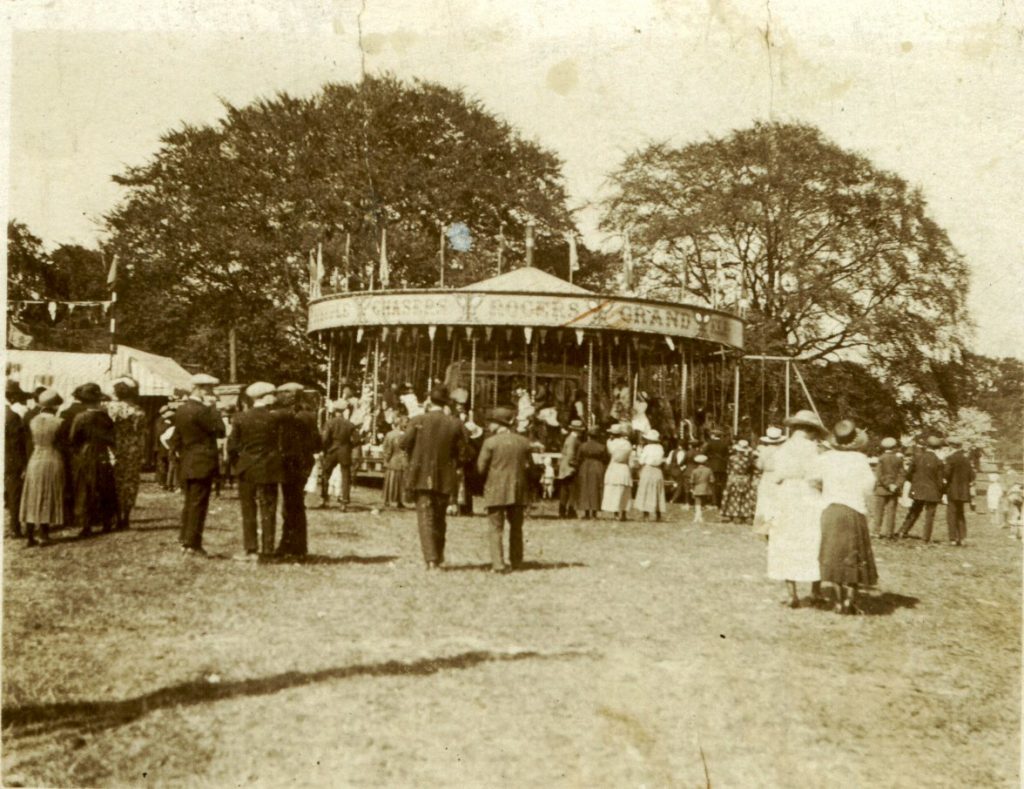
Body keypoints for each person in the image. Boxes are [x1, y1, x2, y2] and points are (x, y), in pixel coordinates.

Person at [767, 410, 827, 608]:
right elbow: (819, 477)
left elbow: (776, 477)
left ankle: (792, 594)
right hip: (809, 495)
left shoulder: (783, 449)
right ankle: (815, 591)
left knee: (786, 540)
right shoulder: (816, 451)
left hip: (787, 495)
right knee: (814, 540)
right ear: (810, 430)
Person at [401, 385, 465, 569]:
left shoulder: (418, 420)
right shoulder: (455, 423)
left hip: (421, 475)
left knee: (425, 517)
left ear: (429, 401)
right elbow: (464, 451)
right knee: (439, 517)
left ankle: (431, 559)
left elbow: (404, 443)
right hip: (445, 476)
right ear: (446, 403)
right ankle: (439, 555)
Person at [818, 420, 878, 615]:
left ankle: (837, 600)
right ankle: (849, 601)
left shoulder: (825, 458)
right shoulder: (860, 459)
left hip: (831, 509)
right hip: (853, 509)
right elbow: (869, 487)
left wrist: (828, 490)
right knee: (853, 554)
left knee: (833, 553)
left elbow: (813, 480)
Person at [169, 373, 225, 556]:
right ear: (201, 389)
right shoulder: (203, 410)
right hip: (203, 461)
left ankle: (184, 539)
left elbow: (175, 438)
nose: (212, 393)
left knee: (190, 503)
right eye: (209, 390)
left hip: (188, 461)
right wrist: (214, 409)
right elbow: (220, 430)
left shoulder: (182, 409)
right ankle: (193, 544)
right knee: (198, 504)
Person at [228, 382, 283, 561]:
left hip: (247, 468)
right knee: (268, 508)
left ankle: (250, 549)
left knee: (248, 509)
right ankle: (268, 550)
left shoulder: (240, 418)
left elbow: (232, 447)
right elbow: (281, 445)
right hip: (269, 468)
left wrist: (239, 464)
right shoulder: (275, 418)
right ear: (265, 396)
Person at [477, 407, 533, 572]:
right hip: (518, 489)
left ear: (498, 424)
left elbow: (480, 468)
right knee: (516, 527)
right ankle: (517, 561)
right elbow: (530, 467)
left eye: (491, 422)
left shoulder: (490, 442)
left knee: (495, 528)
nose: (489, 425)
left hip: (496, 489)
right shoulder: (524, 442)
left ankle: (498, 564)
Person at [276, 383, 320, 557]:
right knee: (294, 505)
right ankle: (293, 545)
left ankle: (293, 545)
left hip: (291, 464)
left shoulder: (292, 417)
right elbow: (317, 443)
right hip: (302, 464)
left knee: (291, 506)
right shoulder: (309, 415)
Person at [68, 383, 117, 537]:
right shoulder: (105, 417)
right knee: (104, 487)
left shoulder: (81, 417)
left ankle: (86, 525)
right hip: (102, 453)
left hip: (86, 453)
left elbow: (73, 438)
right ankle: (107, 522)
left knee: (85, 489)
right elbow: (112, 438)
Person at [20, 389, 68, 546]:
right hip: (52, 458)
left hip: (35, 458)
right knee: (48, 493)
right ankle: (43, 534)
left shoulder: (32, 420)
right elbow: (62, 444)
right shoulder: (59, 422)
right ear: (55, 406)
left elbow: (27, 443)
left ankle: (29, 535)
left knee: (32, 494)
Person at [103, 377, 147, 530]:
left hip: (114, 449)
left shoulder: (111, 408)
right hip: (132, 451)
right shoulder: (139, 411)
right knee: (129, 483)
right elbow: (141, 435)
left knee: (112, 482)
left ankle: (111, 517)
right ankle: (125, 517)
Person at [897, 435, 945, 543]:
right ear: (937, 448)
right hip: (932, 491)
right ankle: (926, 538)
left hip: (918, 489)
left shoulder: (917, 458)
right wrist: (941, 492)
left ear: (926, 446)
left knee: (914, 511)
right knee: (930, 515)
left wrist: (914, 482)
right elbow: (940, 480)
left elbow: (909, 473)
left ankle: (903, 531)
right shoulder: (938, 461)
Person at [319, 399, 360, 510]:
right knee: (346, 477)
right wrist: (348, 446)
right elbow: (357, 440)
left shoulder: (330, 423)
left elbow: (325, 439)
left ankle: (325, 499)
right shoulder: (349, 424)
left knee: (325, 473)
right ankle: (344, 502)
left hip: (331, 451)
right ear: (344, 411)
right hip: (345, 451)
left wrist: (325, 449)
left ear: (335, 410)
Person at [5, 380, 29, 539]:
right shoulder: (12, 416)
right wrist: (23, 464)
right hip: (10, 460)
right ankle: (14, 527)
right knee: (14, 494)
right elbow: (16, 444)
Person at [752, 427, 786, 537]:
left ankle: (766, 525)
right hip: (779, 475)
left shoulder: (764, 451)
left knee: (765, 500)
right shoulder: (784, 450)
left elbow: (760, 466)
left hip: (767, 476)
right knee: (778, 500)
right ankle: (776, 525)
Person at [943, 437, 974, 546]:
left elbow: (946, 474)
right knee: (960, 514)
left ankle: (953, 538)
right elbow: (972, 476)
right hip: (964, 491)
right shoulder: (966, 459)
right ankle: (963, 537)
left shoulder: (950, 458)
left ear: (951, 446)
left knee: (951, 514)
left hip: (952, 490)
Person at [871, 437, 904, 539]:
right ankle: (889, 533)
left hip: (882, 489)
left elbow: (880, 475)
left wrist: (888, 484)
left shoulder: (881, 458)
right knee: (891, 512)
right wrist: (896, 485)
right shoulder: (898, 459)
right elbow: (902, 474)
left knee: (879, 512)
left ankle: (876, 532)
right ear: (894, 447)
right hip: (894, 490)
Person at [601, 423, 634, 521]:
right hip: (624, 468)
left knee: (614, 490)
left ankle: (616, 513)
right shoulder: (627, 444)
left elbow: (610, 452)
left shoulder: (610, 443)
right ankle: (623, 513)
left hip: (614, 467)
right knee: (624, 491)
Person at [720, 439, 757, 524]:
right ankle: (745, 514)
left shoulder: (731, 458)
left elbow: (728, 469)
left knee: (732, 496)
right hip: (744, 478)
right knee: (745, 497)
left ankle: (731, 514)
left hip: (733, 478)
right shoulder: (748, 460)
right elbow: (750, 470)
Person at [634, 429, 666, 521]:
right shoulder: (660, 448)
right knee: (657, 491)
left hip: (648, 469)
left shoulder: (647, 448)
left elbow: (641, 460)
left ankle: (646, 515)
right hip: (657, 470)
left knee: (646, 490)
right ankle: (658, 514)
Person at [575, 430, 608, 519]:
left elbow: (578, 458)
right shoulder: (602, 447)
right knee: (595, 489)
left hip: (585, 467)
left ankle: (586, 513)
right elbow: (605, 459)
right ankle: (594, 513)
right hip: (597, 467)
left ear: (589, 436)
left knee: (585, 488)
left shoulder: (583, 446)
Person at [381, 415, 409, 509]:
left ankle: (388, 500)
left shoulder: (390, 435)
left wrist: (386, 460)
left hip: (393, 461)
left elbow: (387, 449)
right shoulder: (406, 435)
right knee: (400, 482)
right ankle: (399, 501)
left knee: (391, 481)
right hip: (403, 461)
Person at [556, 420, 583, 518]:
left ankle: (562, 511)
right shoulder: (574, 439)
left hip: (564, 467)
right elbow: (571, 454)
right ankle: (571, 511)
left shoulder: (568, 438)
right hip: (570, 467)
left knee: (564, 490)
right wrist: (574, 466)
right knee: (572, 490)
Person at [702, 429, 730, 507]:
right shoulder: (724, 444)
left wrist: (709, 457)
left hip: (712, 466)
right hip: (722, 467)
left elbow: (703, 453)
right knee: (721, 485)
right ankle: (721, 501)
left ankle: (714, 501)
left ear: (713, 435)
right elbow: (727, 455)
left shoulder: (709, 443)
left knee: (712, 484)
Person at [690, 455, 714, 524]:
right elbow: (712, 480)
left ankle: (697, 516)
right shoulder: (709, 470)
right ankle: (700, 517)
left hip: (697, 488)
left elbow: (691, 481)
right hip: (706, 488)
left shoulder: (694, 471)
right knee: (703, 502)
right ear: (705, 462)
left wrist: (692, 489)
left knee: (697, 502)